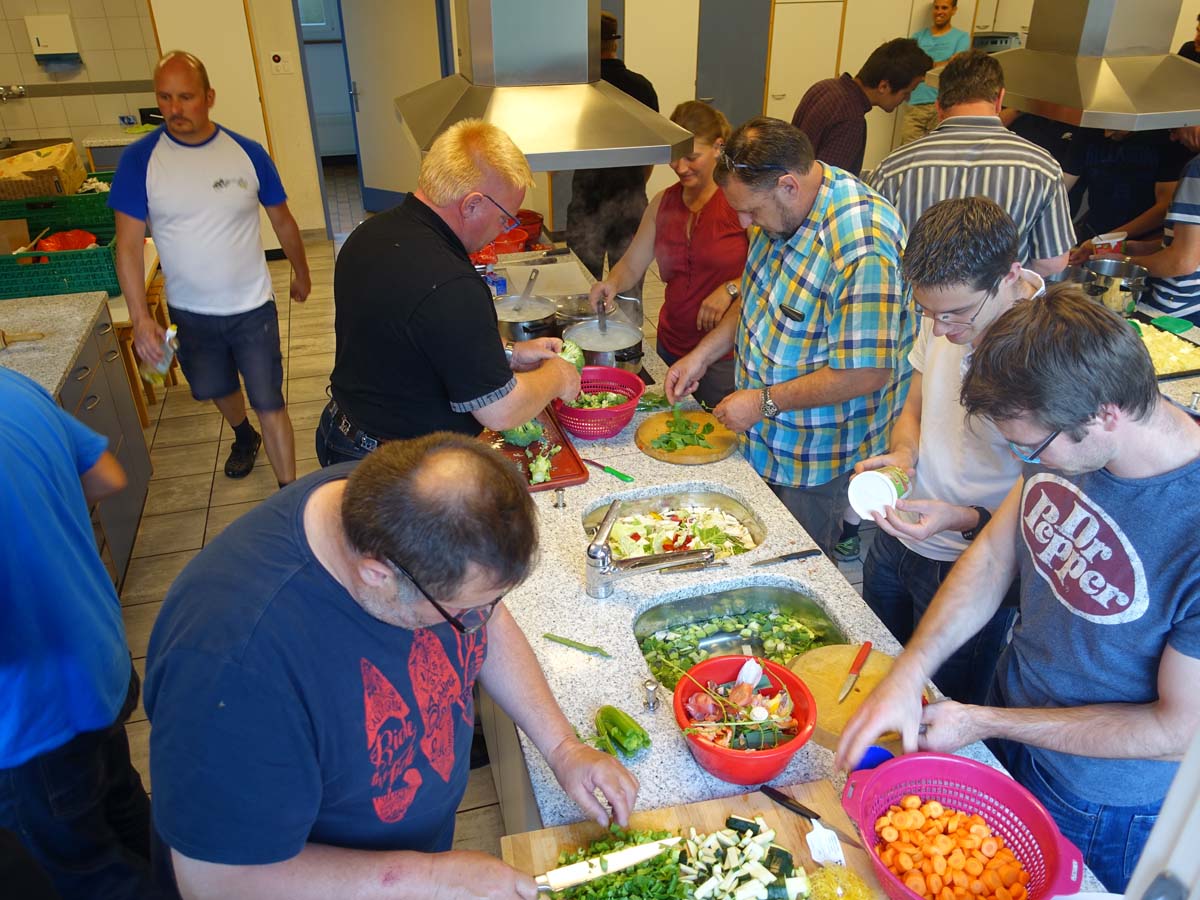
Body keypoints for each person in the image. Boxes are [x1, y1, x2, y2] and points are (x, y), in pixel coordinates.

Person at [144, 433, 639, 899]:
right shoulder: (231, 663)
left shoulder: (395, 507)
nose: (479, 619)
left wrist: (564, 747)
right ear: (377, 574)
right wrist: (429, 879)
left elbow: (487, 617)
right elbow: (215, 879)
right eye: (463, 612)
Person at [836, 287, 1200, 893]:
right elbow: (993, 556)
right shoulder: (1062, 434)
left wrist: (988, 720)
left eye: (1030, 447)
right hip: (1009, 725)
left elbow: (1177, 731)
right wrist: (909, 670)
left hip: (1093, 799)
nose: (1027, 459)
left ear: (1105, 413)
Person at [664, 117, 915, 557]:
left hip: (818, 459)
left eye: (751, 211)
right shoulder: (779, 214)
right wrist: (701, 355)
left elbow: (866, 373)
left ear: (788, 186)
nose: (743, 222)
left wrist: (761, 402)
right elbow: (755, 297)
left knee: (795, 561)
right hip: (765, 439)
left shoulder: (862, 245)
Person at [856, 198, 1043, 704]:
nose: (940, 329)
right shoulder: (943, 310)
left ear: (1010, 276)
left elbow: (1042, 488)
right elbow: (915, 405)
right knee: (872, 670)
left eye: (957, 313)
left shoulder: (1046, 353)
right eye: (927, 312)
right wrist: (903, 455)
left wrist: (959, 518)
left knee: (941, 700)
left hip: (969, 563)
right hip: (898, 535)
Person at [319, 119, 580, 465]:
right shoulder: (452, 284)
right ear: (472, 205)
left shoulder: (370, 233)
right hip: (390, 464)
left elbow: (418, 339)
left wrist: (510, 353)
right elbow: (501, 410)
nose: (503, 230)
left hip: (341, 433)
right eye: (505, 219)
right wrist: (557, 376)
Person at [111, 50, 311, 486]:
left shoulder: (247, 153)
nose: (175, 109)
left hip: (252, 307)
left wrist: (301, 271)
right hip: (190, 312)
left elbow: (282, 220)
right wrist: (141, 318)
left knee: (269, 400)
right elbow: (127, 247)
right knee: (215, 389)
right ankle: (243, 434)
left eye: (186, 97)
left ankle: (289, 494)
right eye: (164, 98)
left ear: (209, 97)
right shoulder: (139, 160)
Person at [0, 367, 160, 899]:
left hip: (32, 718)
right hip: (99, 660)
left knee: (86, 874)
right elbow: (106, 476)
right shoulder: (13, 387)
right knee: (126, 809)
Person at [588, 101, 748, 409]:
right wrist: (611, 284)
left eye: (691, 157)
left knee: (716, 429)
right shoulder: (663, 203)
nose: (680, 167)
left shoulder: (739, 204)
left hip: (723, 356)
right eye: (674, 157)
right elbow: (632, 264)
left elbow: (768, 272)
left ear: (718, 148)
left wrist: (731, 288)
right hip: (670, 344)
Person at [869, 50, 1075, 277]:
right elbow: (1051, 263)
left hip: (913, 298)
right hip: (1002, 300)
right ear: (1000, 100)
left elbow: (872, 254)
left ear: (938, 106)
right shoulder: (1042, 168)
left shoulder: (893, 169)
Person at [566, 11, 659, 281]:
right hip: (630, 199)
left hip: (587, 202)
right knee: (628, 285)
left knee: (583, 285)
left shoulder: (577, 90)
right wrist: (635, 184)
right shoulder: (642, 88)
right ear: (615, 43)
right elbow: (652, 150)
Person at [1081, 152, 1200, 325]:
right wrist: (1142, 248)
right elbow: (1192, 246)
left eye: (1174, 133)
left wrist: (1125, 262)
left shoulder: (1197, 168)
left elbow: (1182, 262)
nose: (1174, 139)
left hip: (1177, 313)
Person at [790, 38, 932, 177]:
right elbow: (829, 184)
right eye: (906, 92)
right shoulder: (851, 118)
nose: (907, 99)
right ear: (883, 86)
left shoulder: (825, 86)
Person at [1062, 128, 1191, 248]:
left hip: (1145, 240)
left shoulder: (1165, 139)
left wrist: (1110, 238)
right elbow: (1062, 185)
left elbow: (1164, 207)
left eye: (1114, 126)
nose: (1107, 134)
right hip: (1095, 234)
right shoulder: (1089, 132)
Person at [900, 0, 970, 145]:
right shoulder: (918, 37)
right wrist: (945, 62)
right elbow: (909, 64)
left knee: (935, 151)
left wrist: (925, 64)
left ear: (953, 10)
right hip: (915, 105)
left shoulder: (961, 37)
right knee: (909, 152)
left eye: (944, 8)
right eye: (936, 8)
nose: (939, 12)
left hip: (942, 106)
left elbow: (956, 66)